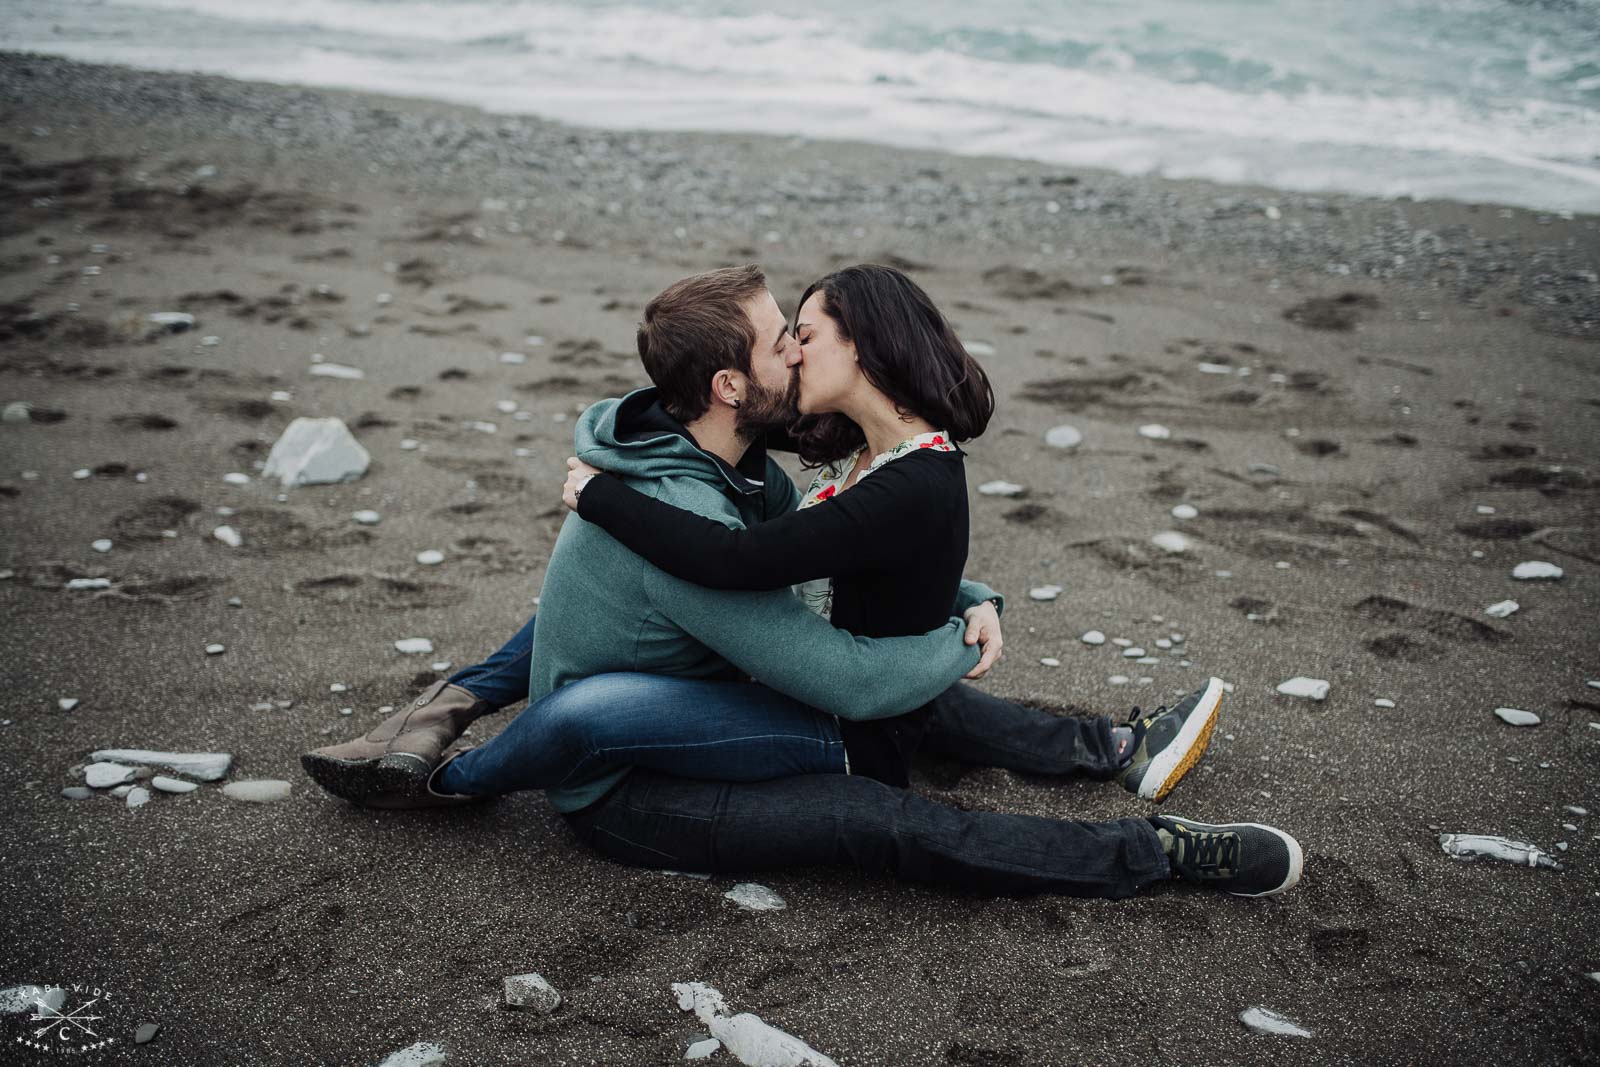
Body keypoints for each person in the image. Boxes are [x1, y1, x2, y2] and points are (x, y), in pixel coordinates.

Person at [302, 264, 1302, 899]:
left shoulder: (725, 467)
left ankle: (1116, 748)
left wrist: (960, 588)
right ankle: (1156, 856)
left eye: (800, 328)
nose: (793, 344)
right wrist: (948, 639)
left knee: (898, 711)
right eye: (780, 334)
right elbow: (849, 677)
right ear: (732, 385)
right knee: (875, 804)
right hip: (631, 794)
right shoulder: (678, 517)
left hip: (692, 698)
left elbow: (824, 546)